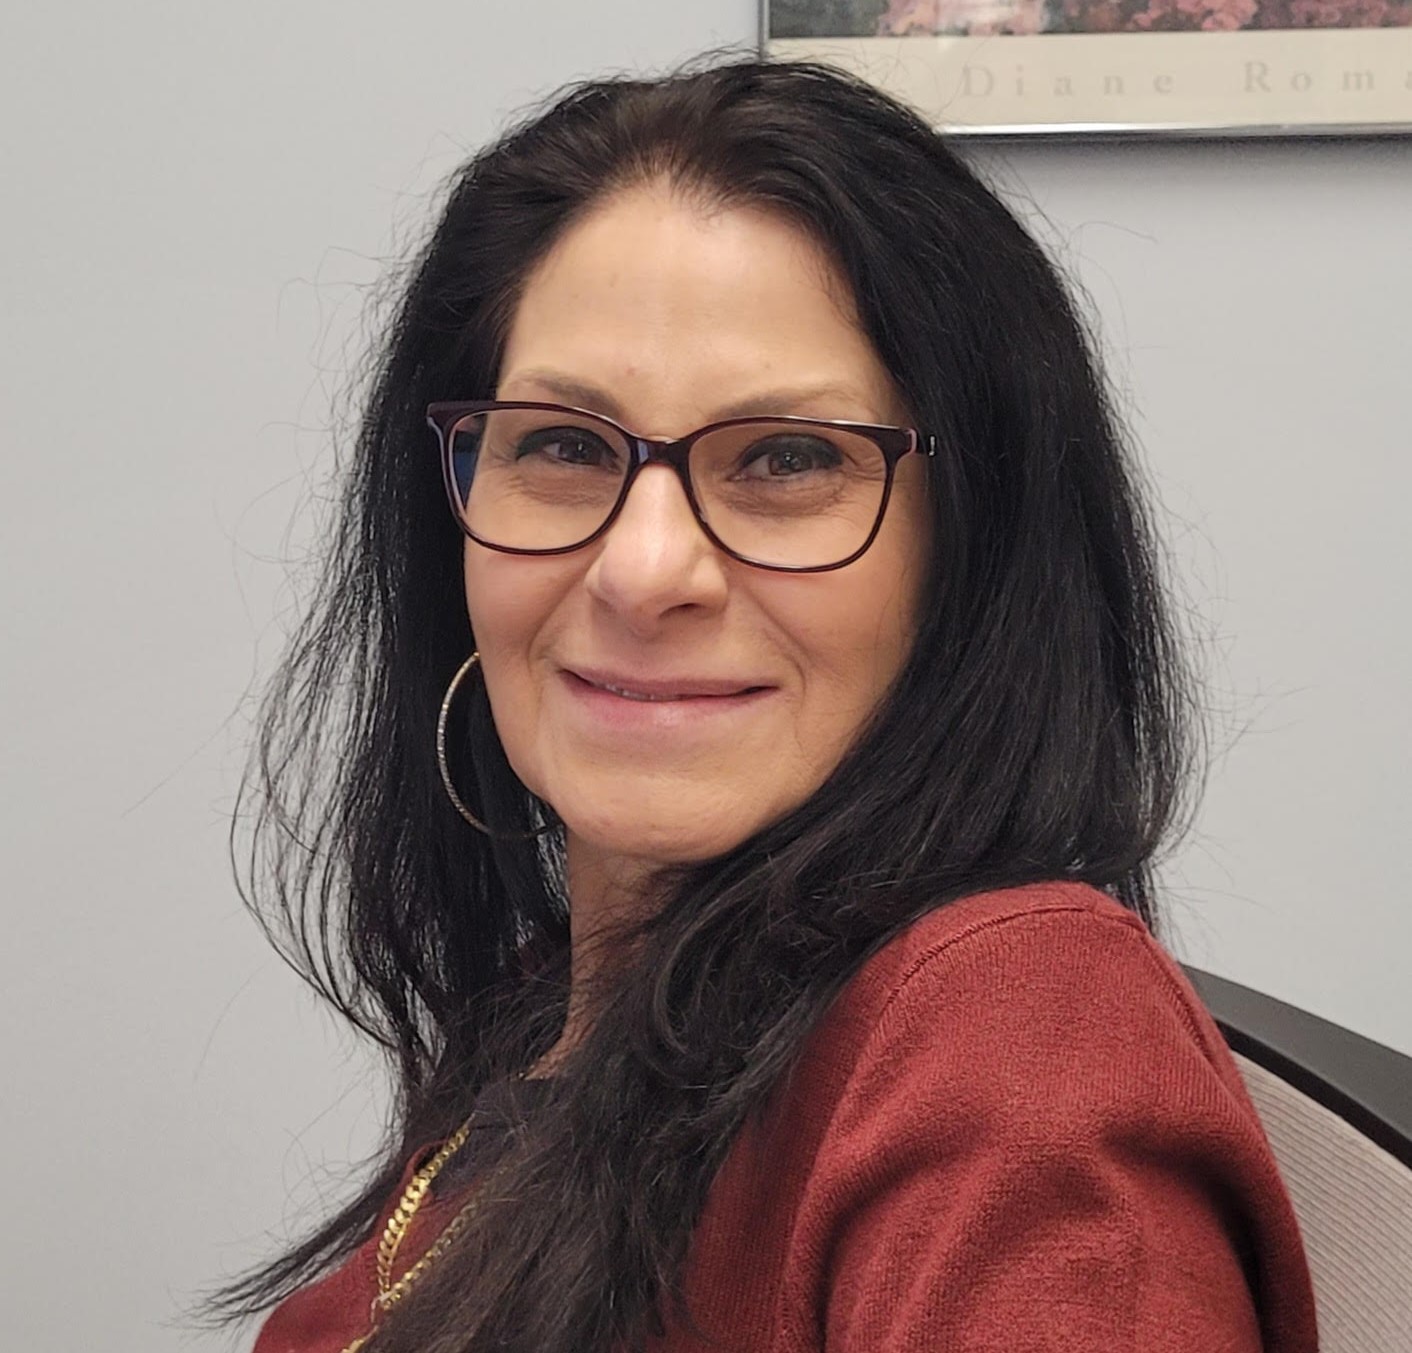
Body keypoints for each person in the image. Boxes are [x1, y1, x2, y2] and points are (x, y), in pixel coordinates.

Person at [216, 55, 1319, 1353]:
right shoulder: (549, 1019)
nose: (644, 569)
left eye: (789, 459)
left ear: (970, 548)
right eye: (563, 445)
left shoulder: (1012, 1039)